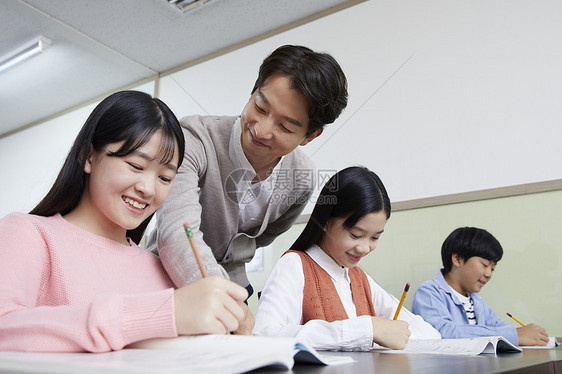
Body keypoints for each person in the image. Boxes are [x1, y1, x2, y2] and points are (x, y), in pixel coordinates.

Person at [0, 90, 248, 353]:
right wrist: (160, 312)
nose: (148, 188)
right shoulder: (28, 234)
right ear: (89, 156)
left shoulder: (161, 268)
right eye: (136, 166)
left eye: (165, 178)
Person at [147, 45, 348, 297]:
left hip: (235, 285)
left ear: (310, 135)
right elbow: (177, 233)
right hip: (162, 280)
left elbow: (263, 237)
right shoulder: (193, 139)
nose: (261, 130)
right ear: (253, 92)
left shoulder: (302, 177)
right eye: (260, 108)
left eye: (285, 127)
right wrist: (220, 297)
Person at [252, 166, 441, 351]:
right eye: (356, 235)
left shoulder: (359, 278)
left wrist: (385, 334)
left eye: (375, 237)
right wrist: (366, 330)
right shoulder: (294, 265)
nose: (364, 248)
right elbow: (265, 335)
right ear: (326, 221)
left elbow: (429, 333)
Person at [412, 226, 549, 346]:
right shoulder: (429, 292)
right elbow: (444, 333)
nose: (489, 274)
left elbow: (496, 325)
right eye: (484, 265)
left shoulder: (476, 299)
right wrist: (515, 335)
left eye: (493, 269)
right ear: (457, 259)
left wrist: (527, 335)